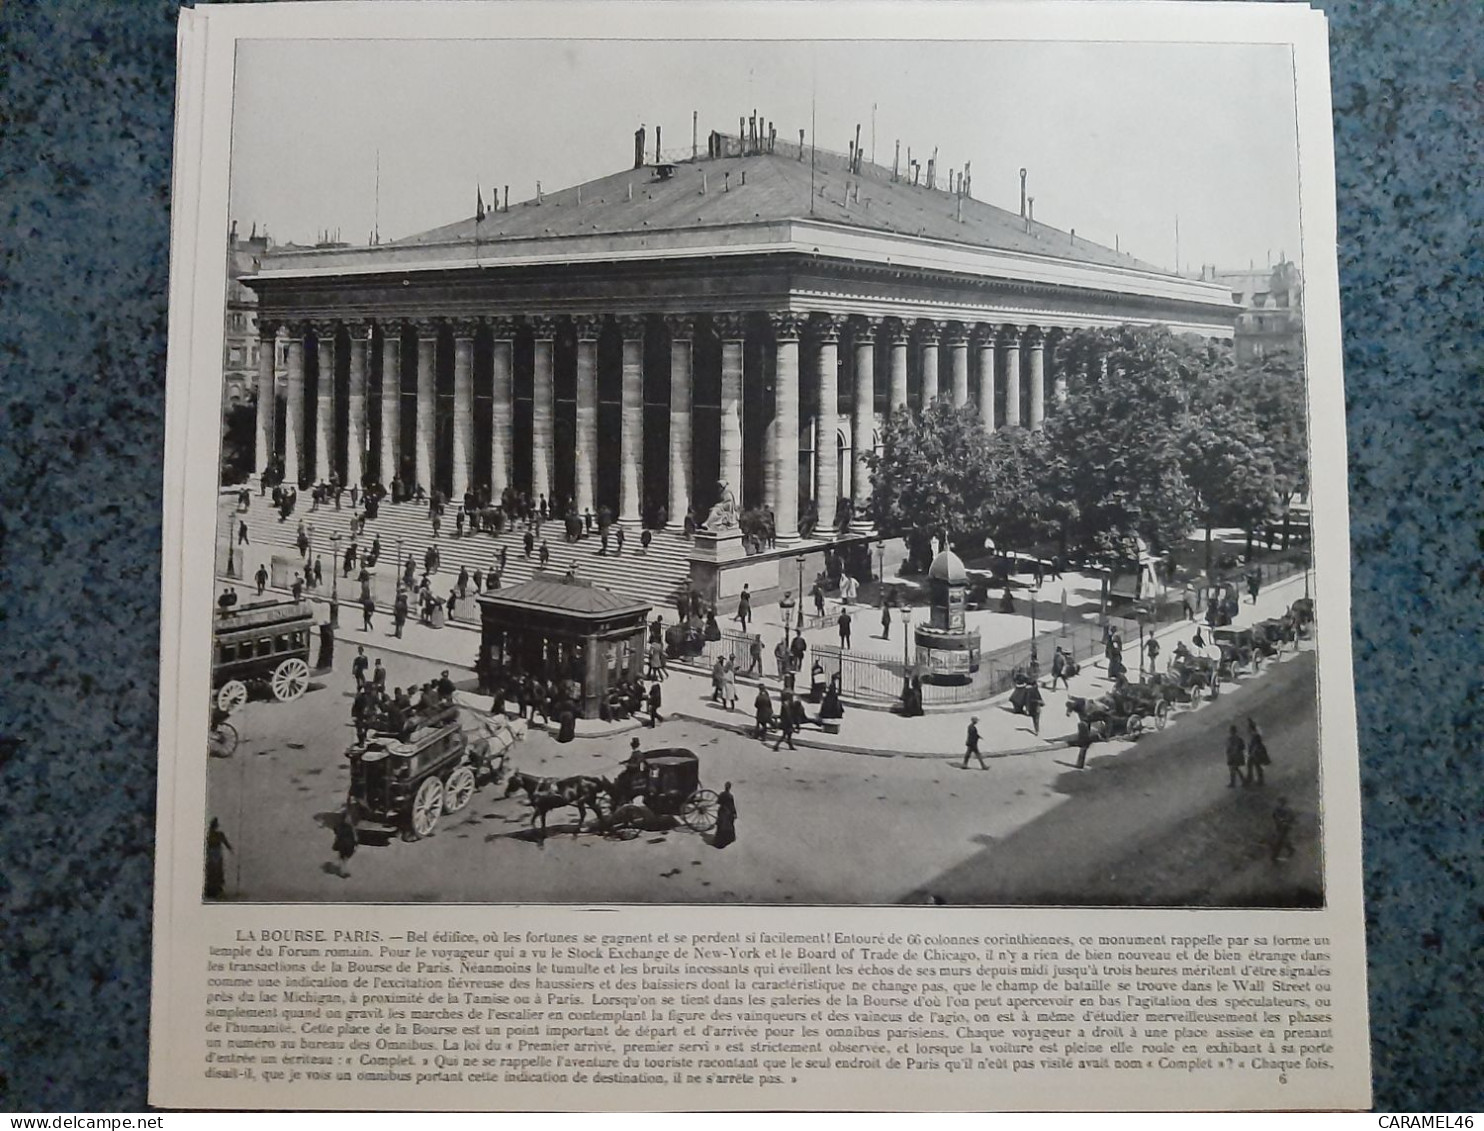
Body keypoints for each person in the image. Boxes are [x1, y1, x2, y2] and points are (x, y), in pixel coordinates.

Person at [204, 818, 233, 899]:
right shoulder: (217, 835)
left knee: (214, 871)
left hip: (213, 855)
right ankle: (213, 888)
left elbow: (226, 843)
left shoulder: (211, 835)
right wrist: (230, 849)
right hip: (214, 855)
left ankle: (214, 888)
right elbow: (226, 843)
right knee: (214, 871)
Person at [331, 807, 358, 879]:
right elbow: (354, 836)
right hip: (347, 844)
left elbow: (336, 831)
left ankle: (342, 870)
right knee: (345, 858)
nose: (349, 819)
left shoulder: (341, 826)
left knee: (343, 858)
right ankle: (343, 871)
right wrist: (355, 843)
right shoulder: (349, 826)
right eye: (348, 818)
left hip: (343, 843)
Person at [712, 782, 737, 849]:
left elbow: (718, 802)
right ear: (729, 788)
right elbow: (732, 806)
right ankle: (727, 839)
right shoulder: (730, 796)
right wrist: (735, 813)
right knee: (728, 826)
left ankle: (718, 841)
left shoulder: (722, 794)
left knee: (721, 826)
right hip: (728, 813)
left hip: (722, 811)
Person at [1270, 796, 1296, 862]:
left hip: (1284, 827)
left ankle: (1275, 856)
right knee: (1281, 840)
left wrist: (1284, 822)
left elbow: (1290, 818)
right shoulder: (1279, 809)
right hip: (1281, 826)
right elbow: (1274, 816)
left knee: (1280, 840)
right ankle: (1290, 849)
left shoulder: (1286, 809)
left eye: (1280, 801)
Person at [1246, 718, 1270, 786]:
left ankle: (1254, 779)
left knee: (1254, 765)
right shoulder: (1254, 734)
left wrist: (1252, 752)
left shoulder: (1255, 735)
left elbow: (1256, 744)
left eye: (1249, 728)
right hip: (1256, 752)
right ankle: (1257, 779)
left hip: (1256, 753)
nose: (1247, 730)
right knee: (1254, 765)